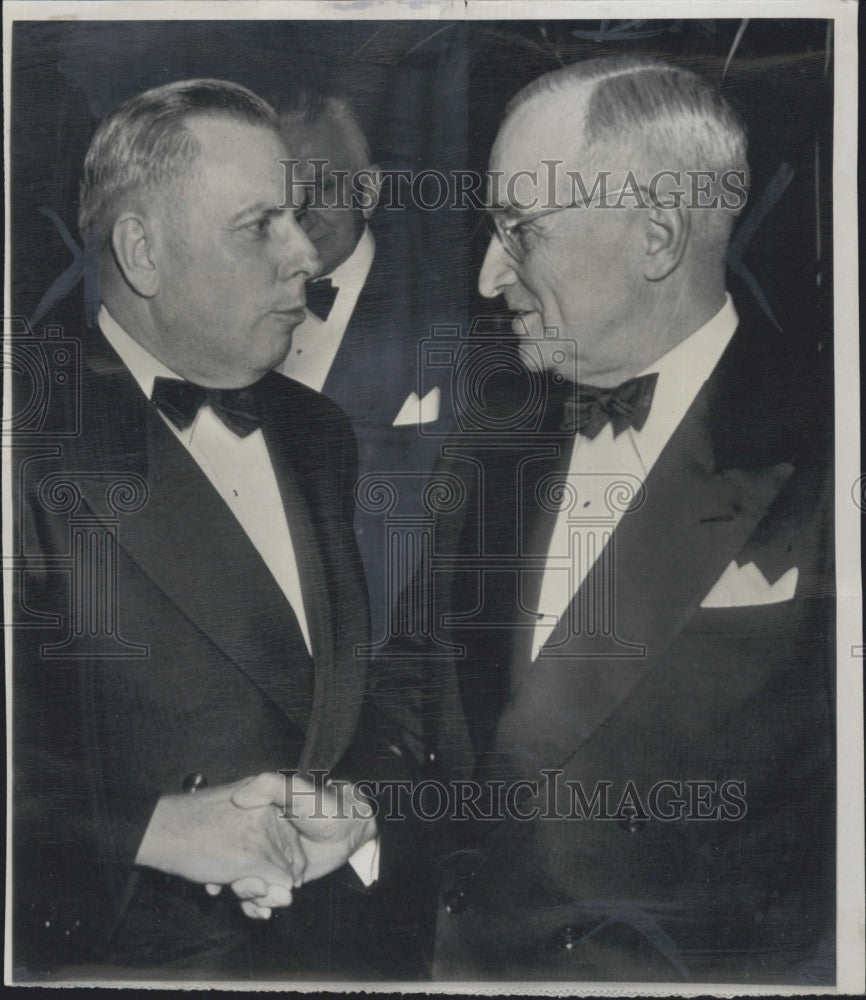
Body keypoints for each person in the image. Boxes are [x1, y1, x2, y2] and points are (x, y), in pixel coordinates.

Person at [397, 56, 834, 982]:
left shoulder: (830, 452)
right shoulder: (491, 435)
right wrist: (355, 803)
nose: (486, 276)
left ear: (656, 237)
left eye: (521, 229)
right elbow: (413, 686)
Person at [11, 78, 426, 980]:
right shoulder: (24, 438)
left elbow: (360, 692)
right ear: (142, 251)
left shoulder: (318, 434)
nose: (305, 259)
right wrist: (153, 828)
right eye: (261, 225)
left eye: (301, 217)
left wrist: (360, 802)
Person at [277, 91, 456, 645]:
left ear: (369, 190)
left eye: (323, 187)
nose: (302, 214)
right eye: (284, 195)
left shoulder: (447, 326)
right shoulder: (226, 312)